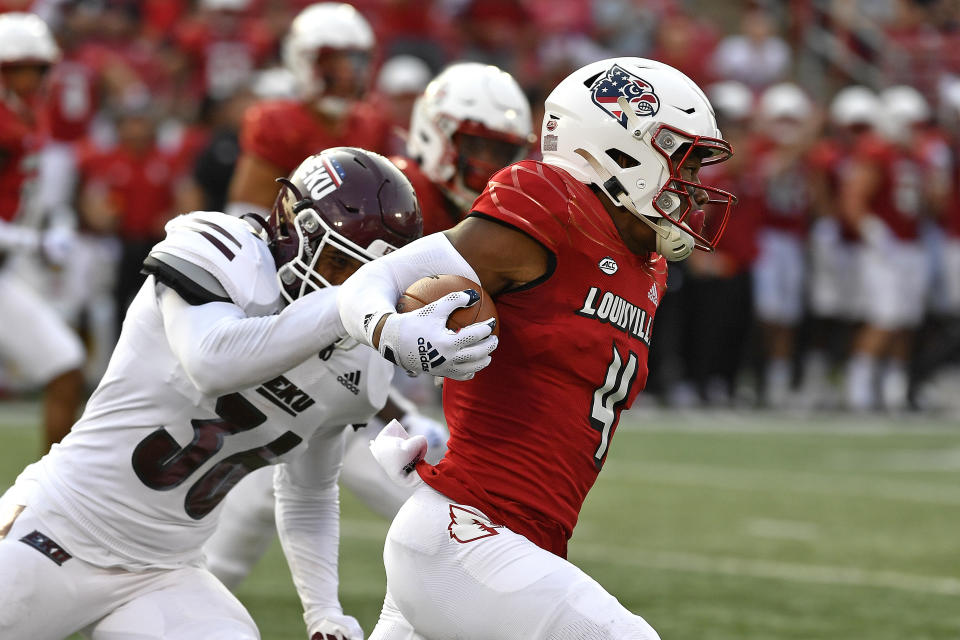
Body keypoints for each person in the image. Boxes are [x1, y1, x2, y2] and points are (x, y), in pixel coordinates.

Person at [336, 57, 737, 639]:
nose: (693, 184)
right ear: (620, 147)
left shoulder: (648, 267)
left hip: (512, 542)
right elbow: (371, 283)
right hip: (468, 534)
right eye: (684, 160)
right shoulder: (551, 201)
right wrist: (393, 330)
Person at [0, 147, 422, 640]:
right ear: (293, 228)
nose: (347, 288)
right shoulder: (223, 248)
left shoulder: (360, 367)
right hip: (63, 528)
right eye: (338, 264)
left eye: (364, 281)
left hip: (166, 573)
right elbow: (212, 363)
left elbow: (309, 490)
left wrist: (323, 611)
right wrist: (348, 301)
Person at [0, 11, 85, 450]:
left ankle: (49, 496)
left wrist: (56, 221)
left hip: (5, 270)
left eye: (37, 69)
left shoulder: (28, 115)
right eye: (21, 69)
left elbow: (31, 196)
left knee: (65, 365)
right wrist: (35, 241)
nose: (33, 79)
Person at [226, 2, 392, 218]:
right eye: (331, 63)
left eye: (355, 62)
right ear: (302, 61)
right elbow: (248, 217)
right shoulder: (277, 122)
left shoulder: (372, 124)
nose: (346, 76)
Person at [395, 61, 535, 235]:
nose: (487, 161)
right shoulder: (401, 193)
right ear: (434, 132)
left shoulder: (487, 215)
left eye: (500, 152)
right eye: (475, 145)